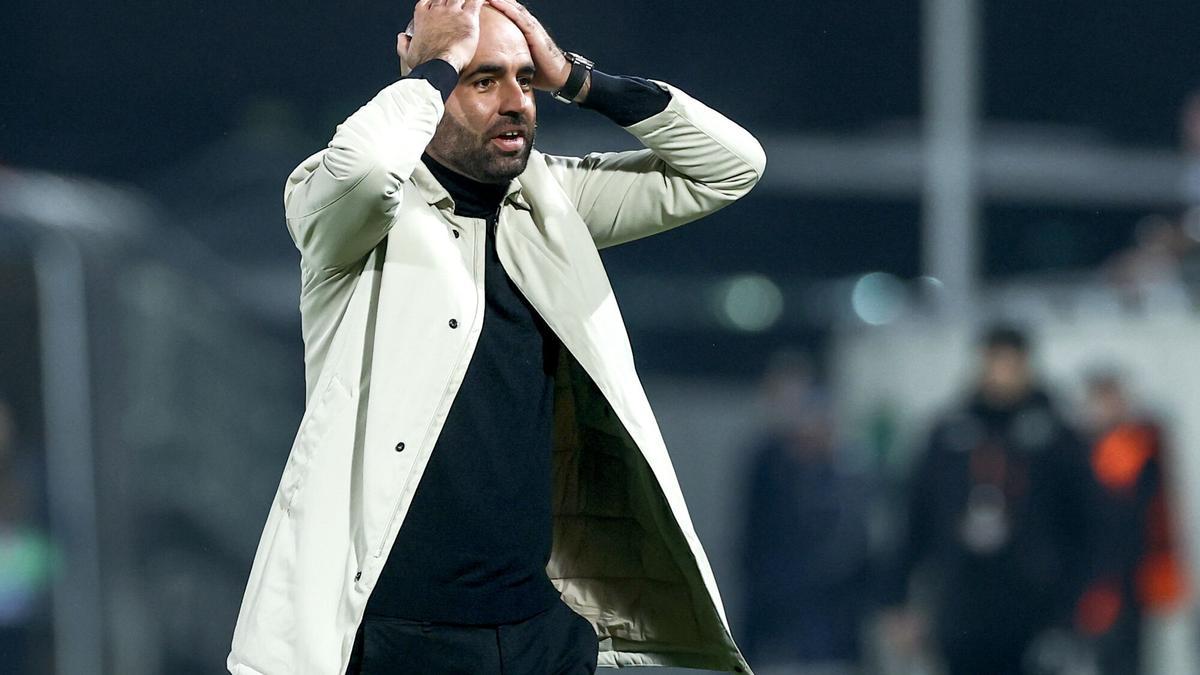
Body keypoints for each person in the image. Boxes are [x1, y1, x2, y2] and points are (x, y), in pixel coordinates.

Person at [226, 1, 766, 674]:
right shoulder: (340, 207)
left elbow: (731, 166)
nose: (516, 102)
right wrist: (437, 64)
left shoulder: (551, 200)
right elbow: (366, 168)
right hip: (398, 638)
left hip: (539, 636)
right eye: (482, 79)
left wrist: (576, 79)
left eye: (525, 79)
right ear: (421, 75)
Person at [879, 325, 1102, 675]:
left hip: (1036, 604)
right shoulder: (949, 434)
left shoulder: (1057, 437)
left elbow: (1086, 527)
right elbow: (915, 518)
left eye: (1011, 364)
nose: (1002, 374)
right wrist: (896, 600)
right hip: (962, 602)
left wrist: (1073, 607)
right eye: (995, 362)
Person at [737, 351, 872, 675]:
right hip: (778, 617)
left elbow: (852, 544)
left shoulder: (844, 469)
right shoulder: (766, 463)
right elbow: (753, 540)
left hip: (831, 618)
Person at [1079, 371, 1188, 675]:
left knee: (1127, 654)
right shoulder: (1079, 448)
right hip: (1095, 572)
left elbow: (1146, 515)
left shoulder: (1140, 445)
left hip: (1130, 573)